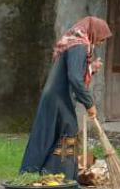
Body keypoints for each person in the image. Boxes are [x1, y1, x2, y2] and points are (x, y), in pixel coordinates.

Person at [20, 17, 111, 178]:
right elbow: (75, 78)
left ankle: (46, 173)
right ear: (94, 32)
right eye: (101, 38)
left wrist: (91, 68)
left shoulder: (75, 43)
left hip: (56, 96)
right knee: (65, 134)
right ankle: (57, 176)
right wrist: (89, 103)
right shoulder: (79, 46)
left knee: (53, 135)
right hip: (59, 97)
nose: (101, 43)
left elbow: (72, 72)